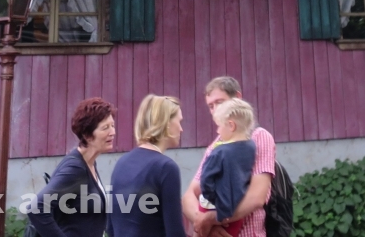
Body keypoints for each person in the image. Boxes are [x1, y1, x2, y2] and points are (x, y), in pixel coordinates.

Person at [182, 77, 275, 237]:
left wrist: (213, 218)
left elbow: (256, 197)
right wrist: (204, 222)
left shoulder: (259, 137)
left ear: (237, 98)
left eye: (219, 102)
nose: (215, 109)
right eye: (211, 106)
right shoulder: (215, 146)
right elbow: (189, 195)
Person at [27, 97, 116, 237]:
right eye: (105, 128)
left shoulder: (89, 163)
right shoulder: (75, 169)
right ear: (87, 135)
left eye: (112, 125)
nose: (112, 132)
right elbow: (36, 208)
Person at [107, 94, 185, 237]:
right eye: (179, 122)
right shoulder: (166, 168)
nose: (181, 129)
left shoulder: (121, 164)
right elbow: (175, 232)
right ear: (166, 123)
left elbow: (110, 227)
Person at [197, 98, 257, 237]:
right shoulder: (251, 147)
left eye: (219, 126)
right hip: (238, 209)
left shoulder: (220, 151)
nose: (218, 131)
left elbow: (205, 180)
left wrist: (211, 198)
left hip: (212, 206)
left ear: (231, 125)